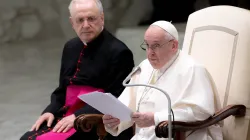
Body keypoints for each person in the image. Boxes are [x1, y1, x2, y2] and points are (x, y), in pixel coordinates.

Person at [20, 0, 135, 139]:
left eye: (91, 18)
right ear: (72, 23)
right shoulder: (70, 47)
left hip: (93, 120)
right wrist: (50, 111)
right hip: (65, 114)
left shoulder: (119, 51)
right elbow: (62, 90)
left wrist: (77, 116)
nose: (86, 25)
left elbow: (118, 98)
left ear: (102, 18)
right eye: (80, 20)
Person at [102, 21, 223, 140]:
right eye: (147, 46)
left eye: (155, 46)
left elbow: (200, 111)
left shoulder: (192, 69)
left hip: (180, 136)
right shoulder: (145, 66)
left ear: (174, 45)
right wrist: (114, 119)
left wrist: (156, 118)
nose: (150, 53)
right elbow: (127, 104)